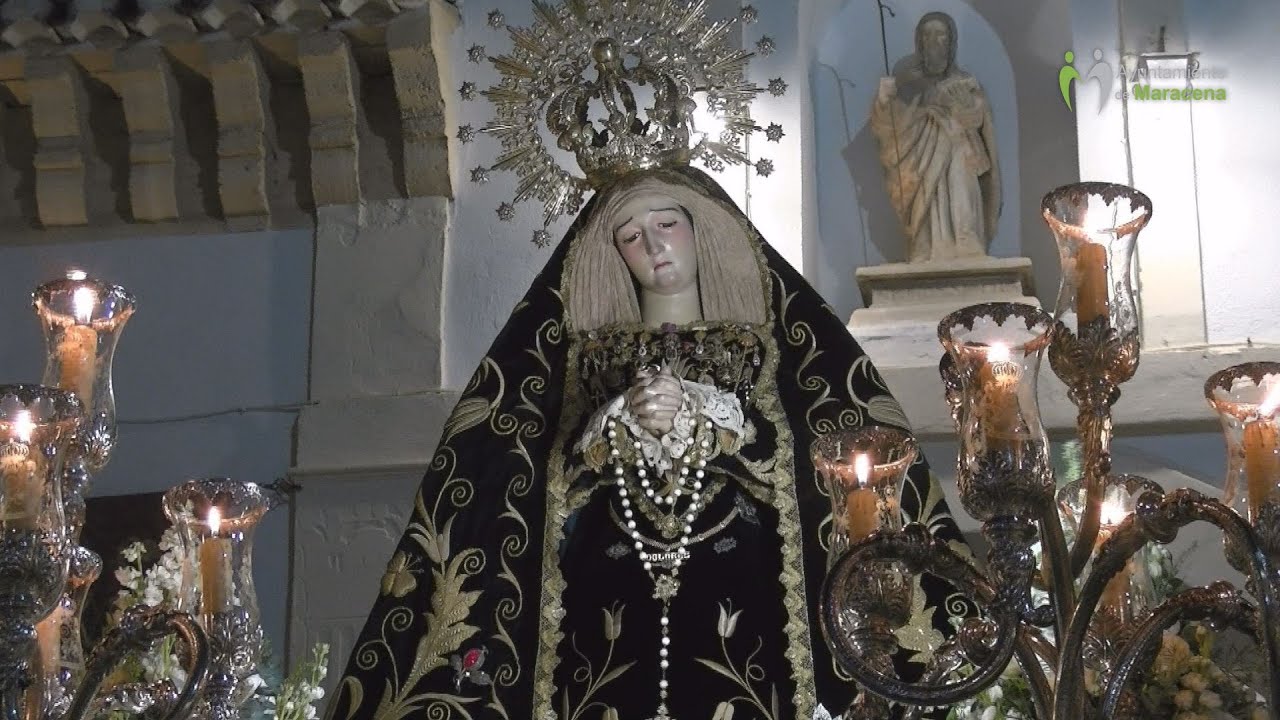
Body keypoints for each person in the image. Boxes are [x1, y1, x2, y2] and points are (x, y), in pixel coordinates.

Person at [326, 4, 971, 718]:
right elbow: (519, 489)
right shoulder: (580, 365)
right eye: (631, 236)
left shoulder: (778, 350)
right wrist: (609, 424)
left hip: (748, 614)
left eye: (667, 224)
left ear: (702, 232)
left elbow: (824, 468)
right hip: (603, 630)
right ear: (613, 256)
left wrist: (712, 412)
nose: (654, 245)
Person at [870, 11, 1002, 264]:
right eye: (927, 35)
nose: (933, 42)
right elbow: (890, 129)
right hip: (921, 165)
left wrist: (961, 106)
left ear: (951, 42)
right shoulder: (908, 85)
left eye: (940, 35)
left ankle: (967, 243)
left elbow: (977, 119)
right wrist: (885, 102)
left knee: (961, 199)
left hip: (960, 160)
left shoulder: (965, 82)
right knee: (925, 208)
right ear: (919, 42)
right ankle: (925, 246)